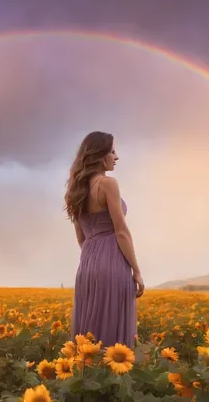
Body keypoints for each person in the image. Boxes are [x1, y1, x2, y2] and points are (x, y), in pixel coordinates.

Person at [64, 131, 144, 349]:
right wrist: (136, 270)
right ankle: (114, 378)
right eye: (113, 151)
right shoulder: (108, 184)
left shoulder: (74, 190)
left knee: (88, 333)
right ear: (100, 155)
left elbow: (81, 238)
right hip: (113, 262)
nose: (116, 157)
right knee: (113, 333)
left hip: (87, 263)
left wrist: (94, 258)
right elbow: (121, 232)